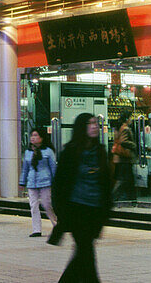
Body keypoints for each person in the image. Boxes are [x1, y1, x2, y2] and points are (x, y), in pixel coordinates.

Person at [52, 114, 112, 283]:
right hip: (77, 211)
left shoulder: (100, 151)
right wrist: (61, 212)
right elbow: (60, 184)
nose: (94, 126)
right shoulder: (70, 151)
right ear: (81, 128)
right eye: (90, 123)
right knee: (86, 253)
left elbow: (105, 183)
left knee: (82, 255)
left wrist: (106, 211)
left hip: (94, 212)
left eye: (95, 123)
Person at [20, 128, 58, 237]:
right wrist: (22, 182)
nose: (33, 137)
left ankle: (56, 224)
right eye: (32, 135)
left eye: (36, 135)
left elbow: (53, 167)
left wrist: (55, 181)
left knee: (47, 204)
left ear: (41, 138)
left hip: (45, 181)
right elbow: (25, 169)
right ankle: (36, 229)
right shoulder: (28, 152)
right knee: (33, 205)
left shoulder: (48, 151)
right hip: (32, 182)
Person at [110, 113, 136, 202]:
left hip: (121, 158)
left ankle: (129, 197)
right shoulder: (125, 128)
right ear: (126, 119)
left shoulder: (119, 127)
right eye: (130, 118)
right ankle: (113, 197)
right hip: (124, 157)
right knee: (122, 179)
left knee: (125, 178)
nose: (131, 120)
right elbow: (123, 141)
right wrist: (133, 145)